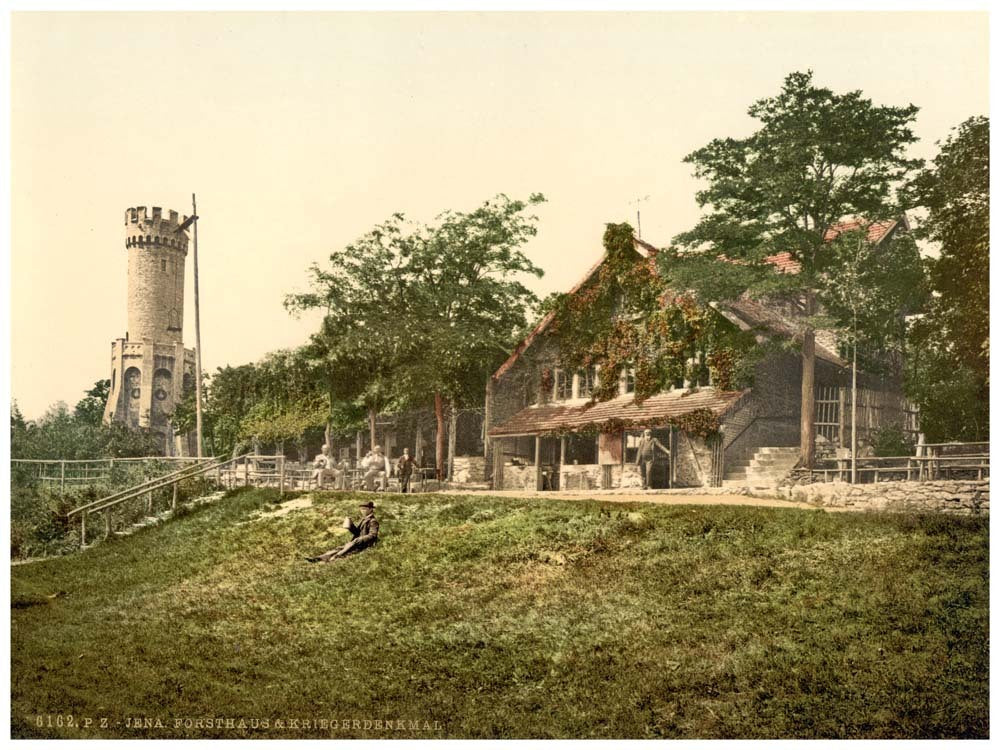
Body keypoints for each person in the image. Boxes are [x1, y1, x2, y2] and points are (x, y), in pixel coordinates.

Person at [306, 501, 379, 563]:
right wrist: (351, 526)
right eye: (361, 509)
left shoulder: (373, 521)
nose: (362, 511)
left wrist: (360, 539)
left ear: (370, 509)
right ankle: (319, 558)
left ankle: (334, 558)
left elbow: (373, 535)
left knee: (344, 550)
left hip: (363, 544)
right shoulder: (364, 519)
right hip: (357, 543)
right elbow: (357, 533)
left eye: (364, 509)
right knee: (339, 548)